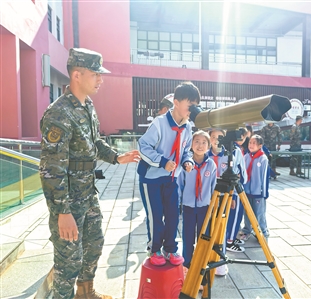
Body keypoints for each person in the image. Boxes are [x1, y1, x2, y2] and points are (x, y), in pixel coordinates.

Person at [39, 48, 140, 299]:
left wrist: (116, 157)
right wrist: (62, 212)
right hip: (68, 201)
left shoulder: (87, 106)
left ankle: (86, 293)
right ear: (77, 75)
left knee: (94, 246)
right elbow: (51, 170)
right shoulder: (58, 114)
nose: (100, 80)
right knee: (68, 261)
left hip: (88, 194)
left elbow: (95, 143)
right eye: (95, 74)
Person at [137, 81, 200, 266]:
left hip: (172, 179)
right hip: (151, 178)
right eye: (190, 105)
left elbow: (186, 149)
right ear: (176, 101)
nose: (192, 109)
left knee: (173, 215)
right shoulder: (159, 123)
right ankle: (154, 248)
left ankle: (170, 248)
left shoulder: (187, 127)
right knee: (156, 215)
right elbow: (143, 146)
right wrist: (163, 162)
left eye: (195, 105)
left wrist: (187, 161)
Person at [208, 128, 247, 276]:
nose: (217, 140)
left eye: (220, 137)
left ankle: (220, 260)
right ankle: (207, 257)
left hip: (226, 196)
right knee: (207, 229)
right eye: (213, 137)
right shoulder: (205, 153)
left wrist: (234, 195)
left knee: (222, 228)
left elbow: (242, 175)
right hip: (208, 198)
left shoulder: (235, 153)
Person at [178, 130, 216, 271]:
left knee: (203, 236)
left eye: (204, 142)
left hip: (204, 207)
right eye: (197, 142)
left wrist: (213, 206)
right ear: (191, 144)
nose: (200, 145)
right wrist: (179, 204)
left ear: (209, 145)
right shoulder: (186, 164)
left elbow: (213, 187)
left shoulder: (211, 165)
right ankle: (186, 264)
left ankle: (200, 263)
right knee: (188, 237)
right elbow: (180, 185)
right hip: (188, 206)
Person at [241, 135, 269, 242]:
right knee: (247, 212)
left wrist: (264, 192)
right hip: (247, 191)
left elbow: (265, 176)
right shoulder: (246, 157)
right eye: (250, 143)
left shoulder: (263, 158)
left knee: (259, 213)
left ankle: (263, 231)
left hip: (258, 192)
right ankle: (247, 230)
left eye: (254, 143)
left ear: (260, 145)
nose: (251, 145)